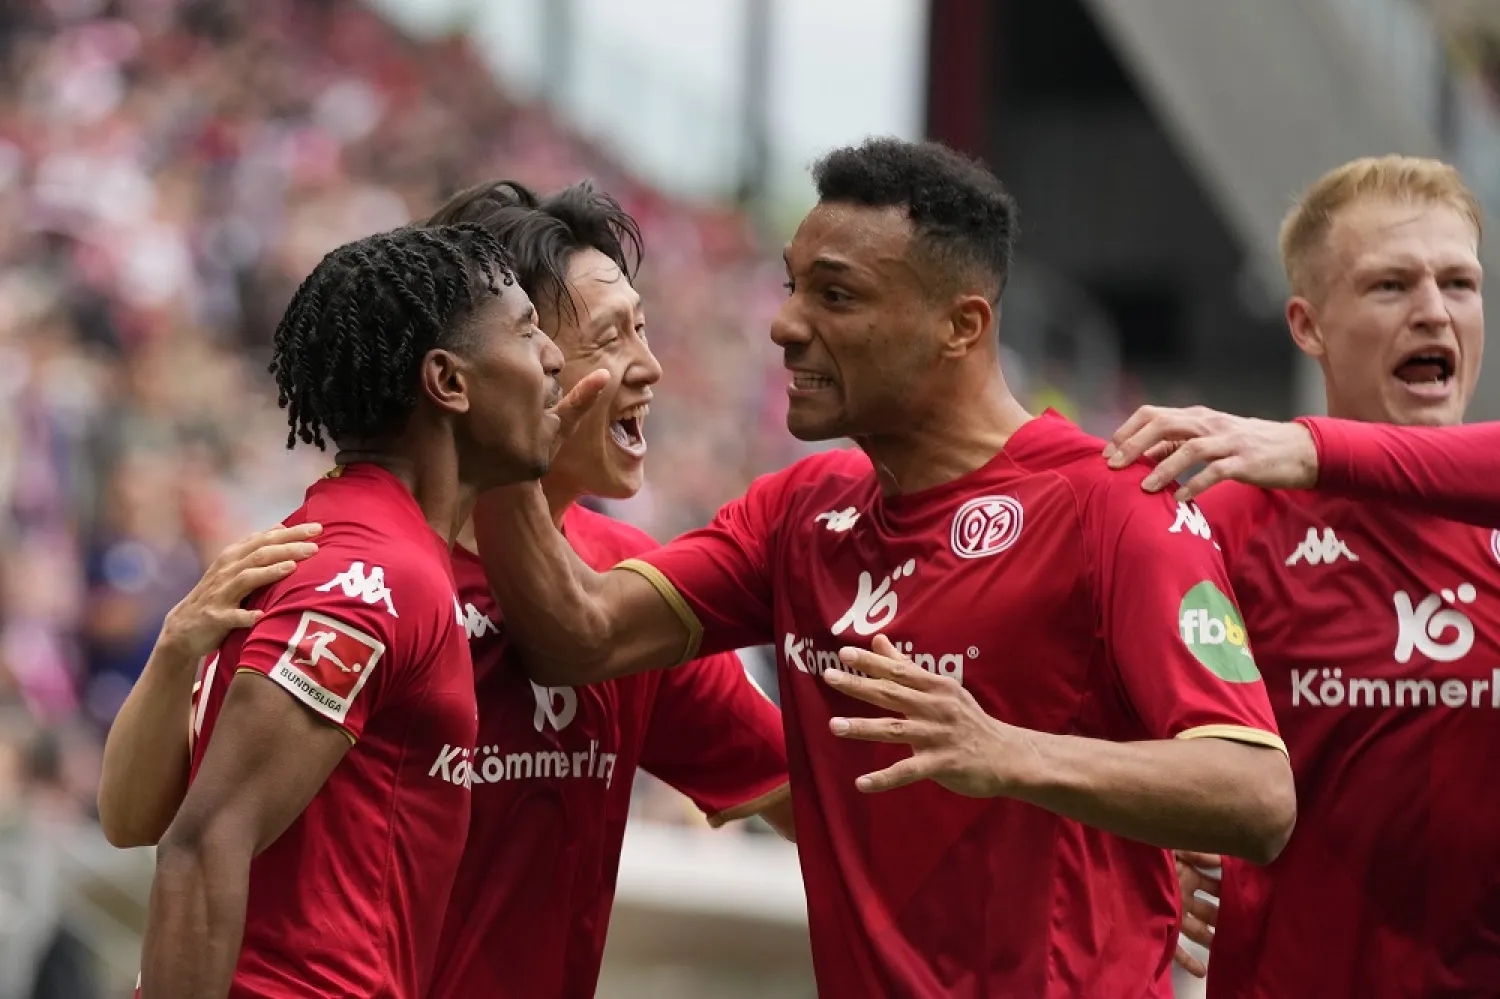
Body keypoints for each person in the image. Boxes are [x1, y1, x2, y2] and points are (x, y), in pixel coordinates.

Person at [469, 137, 1297, 997]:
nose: (787, 327)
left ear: (962, 326)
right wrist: (503, 428)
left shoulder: (1115, 504)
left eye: (837, 296)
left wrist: (1012, 753)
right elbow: (577, 632)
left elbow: (1257, 791)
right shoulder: (797, 513)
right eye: (793, 289)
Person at [99, 182, 792, 999]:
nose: (648, 365)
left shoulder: (622, 603)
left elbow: (828, 808)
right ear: (452, 372)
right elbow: (184, 835)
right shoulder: (366, 571)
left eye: (644, 328)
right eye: (600, 337)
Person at [135, 223, 599, 999]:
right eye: (527, 333)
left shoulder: (339, 546)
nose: (552, 356)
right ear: (449, 382)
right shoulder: (373, 576)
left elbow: (143, 817)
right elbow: (200, 842)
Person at [1105, 155, 1500, 997]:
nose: (1434, 309)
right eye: (1391, 285)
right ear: (1307, 324)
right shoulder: (1226, 523)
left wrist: (1313, 447)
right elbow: (1106, 725)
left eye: (1459, 283)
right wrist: (1148, 845)